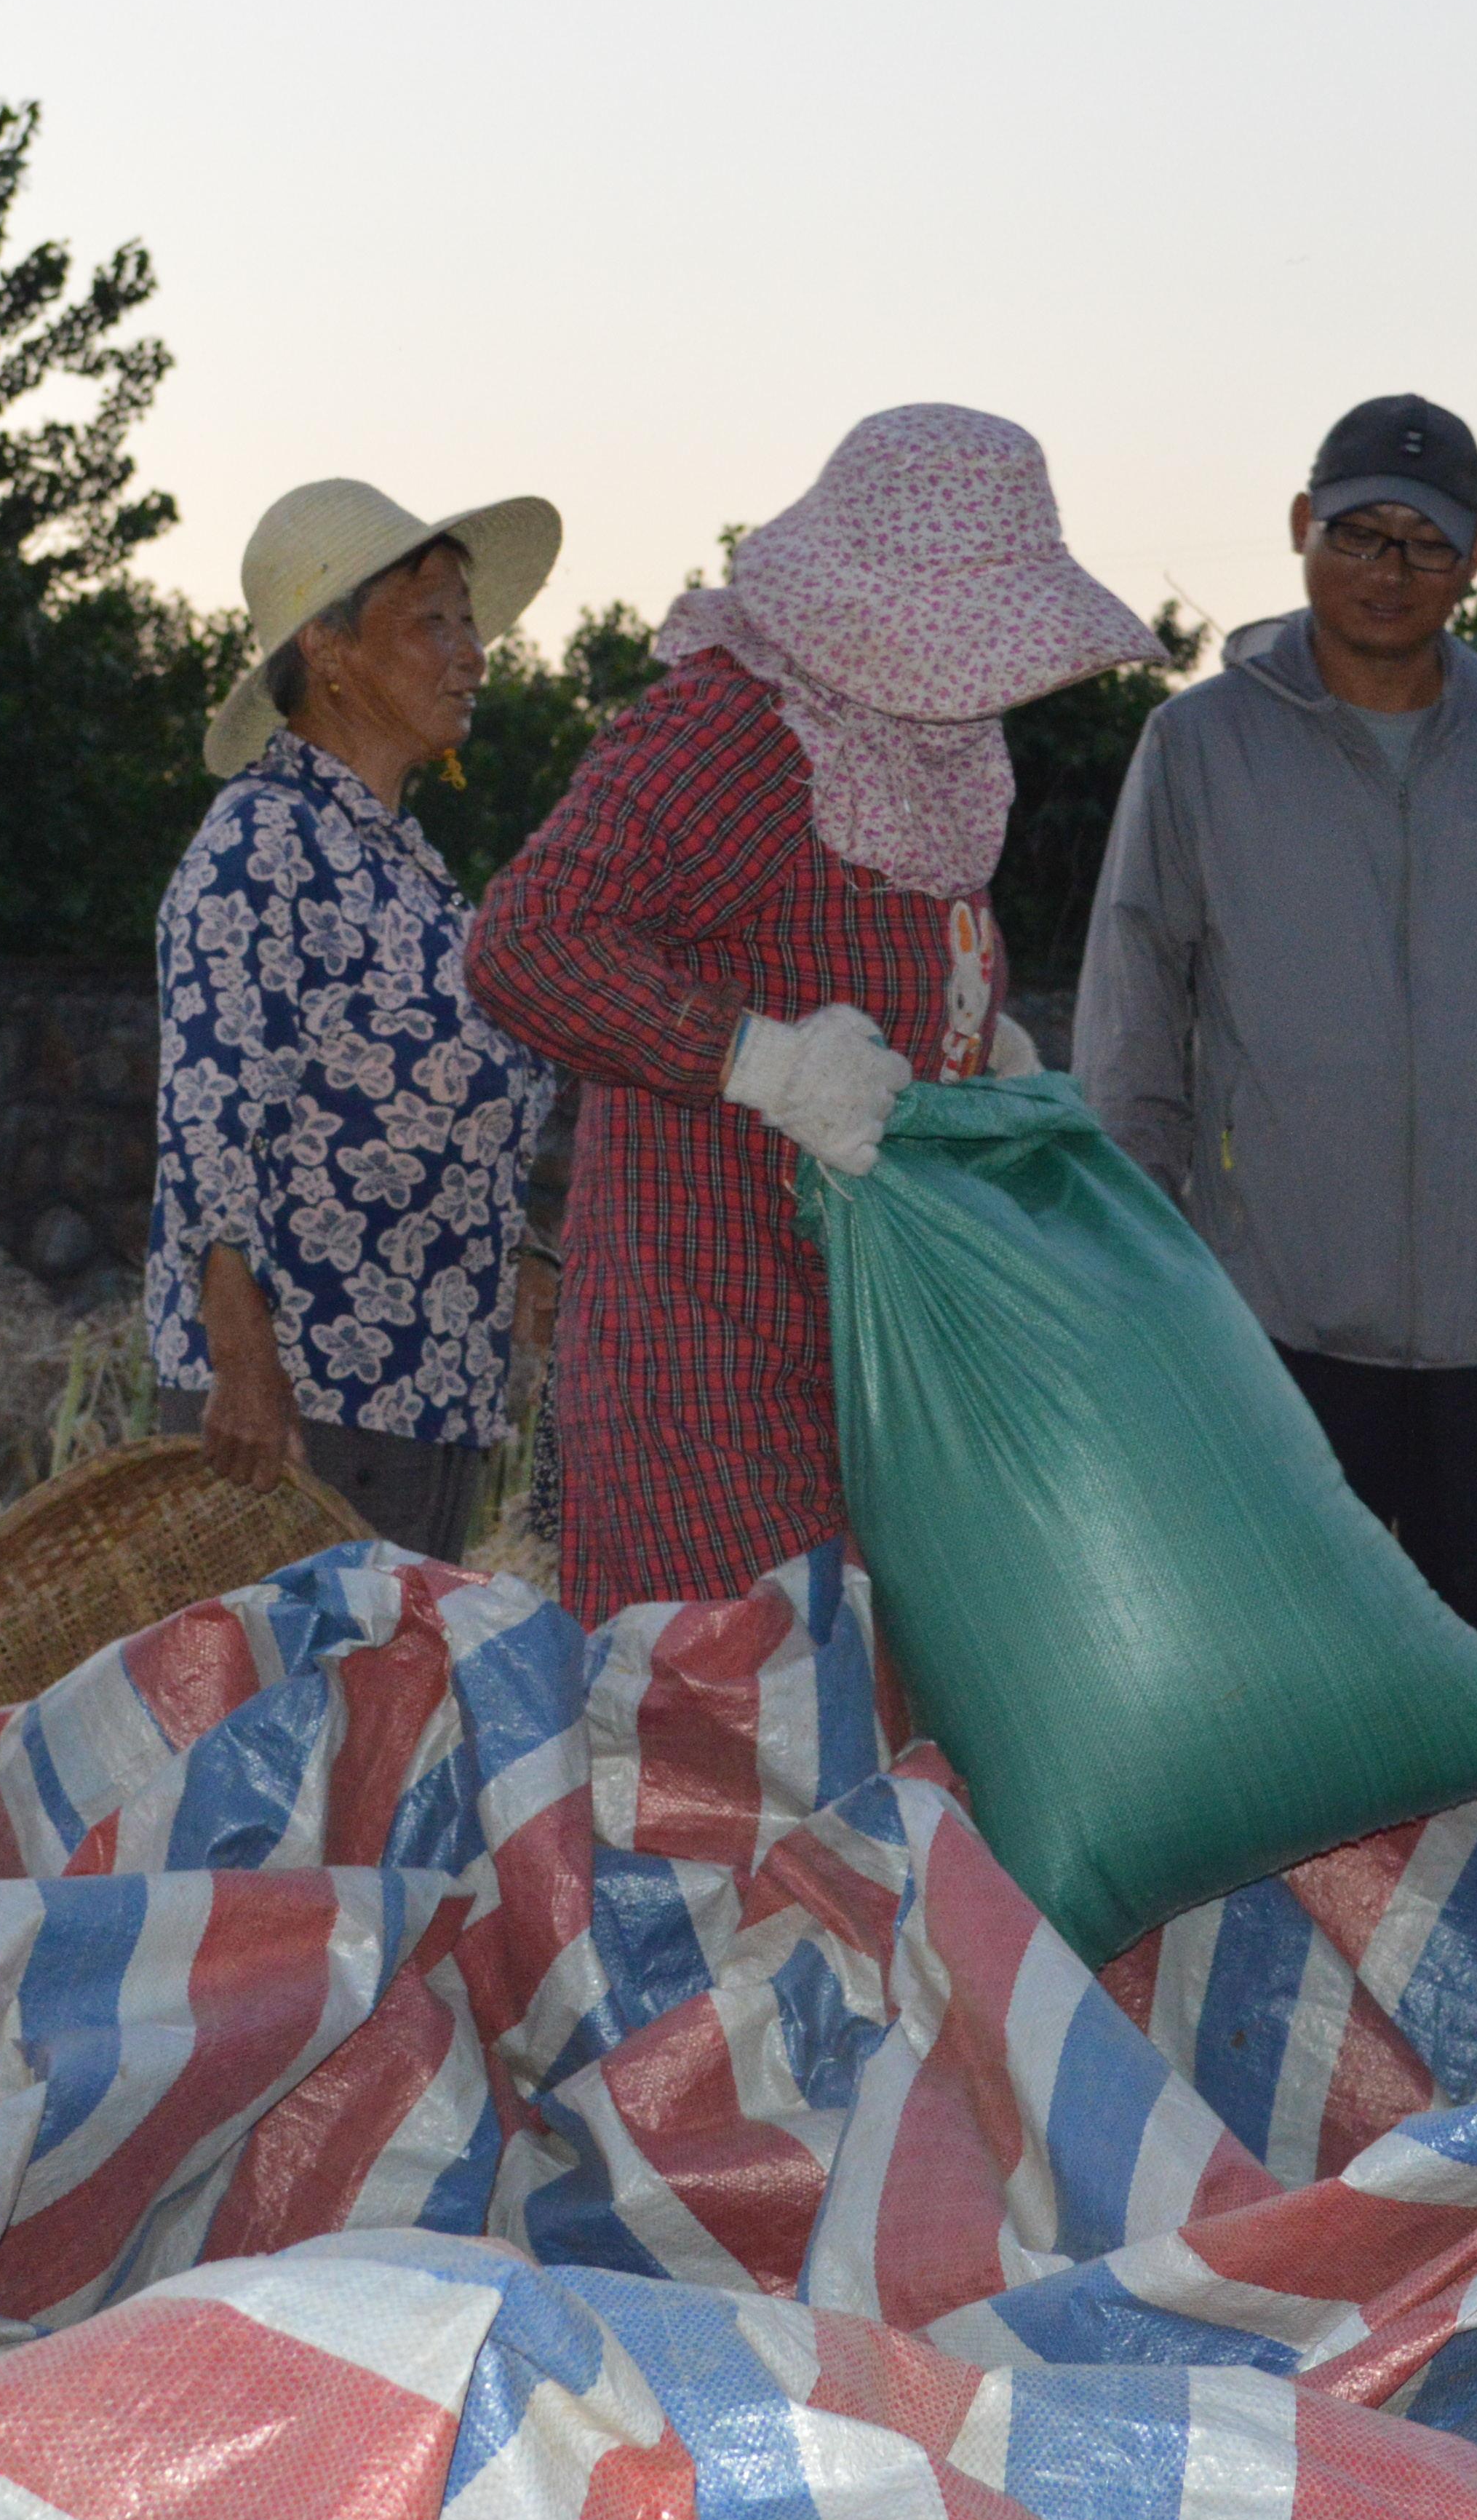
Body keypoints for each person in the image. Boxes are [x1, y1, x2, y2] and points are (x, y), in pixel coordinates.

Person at [464, 404, 1158, 1621]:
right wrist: (755, 1062)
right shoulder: (735, 729)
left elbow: (864, 953)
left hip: (864, 1347)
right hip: (709, 1354)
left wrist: (973, 1045)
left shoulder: (928, 756)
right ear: (890, 604)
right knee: (729, 1744)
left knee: (852, 1753)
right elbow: (526, 941)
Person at [1072, 394, 1477, 1687]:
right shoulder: (1201, 741)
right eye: (1358, 535)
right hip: (1278, 1307)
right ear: (1301, 528)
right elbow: (1136, 1009)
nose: (1386, 572)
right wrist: (1127, 1235)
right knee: (1289, 1667)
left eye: (1424, 543)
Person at [148, 479, 564, 1560]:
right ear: (326, 650)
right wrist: (242, 1368)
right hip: (300, 1413)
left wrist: (517, 1262)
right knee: (277, 1724)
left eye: (469, 623)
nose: (472, 654)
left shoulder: (409, 872)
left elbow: (394, 1120)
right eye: (434, 621)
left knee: (391, 1732)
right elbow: (208, 1119)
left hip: (429, 1402)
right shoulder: (260, 843)